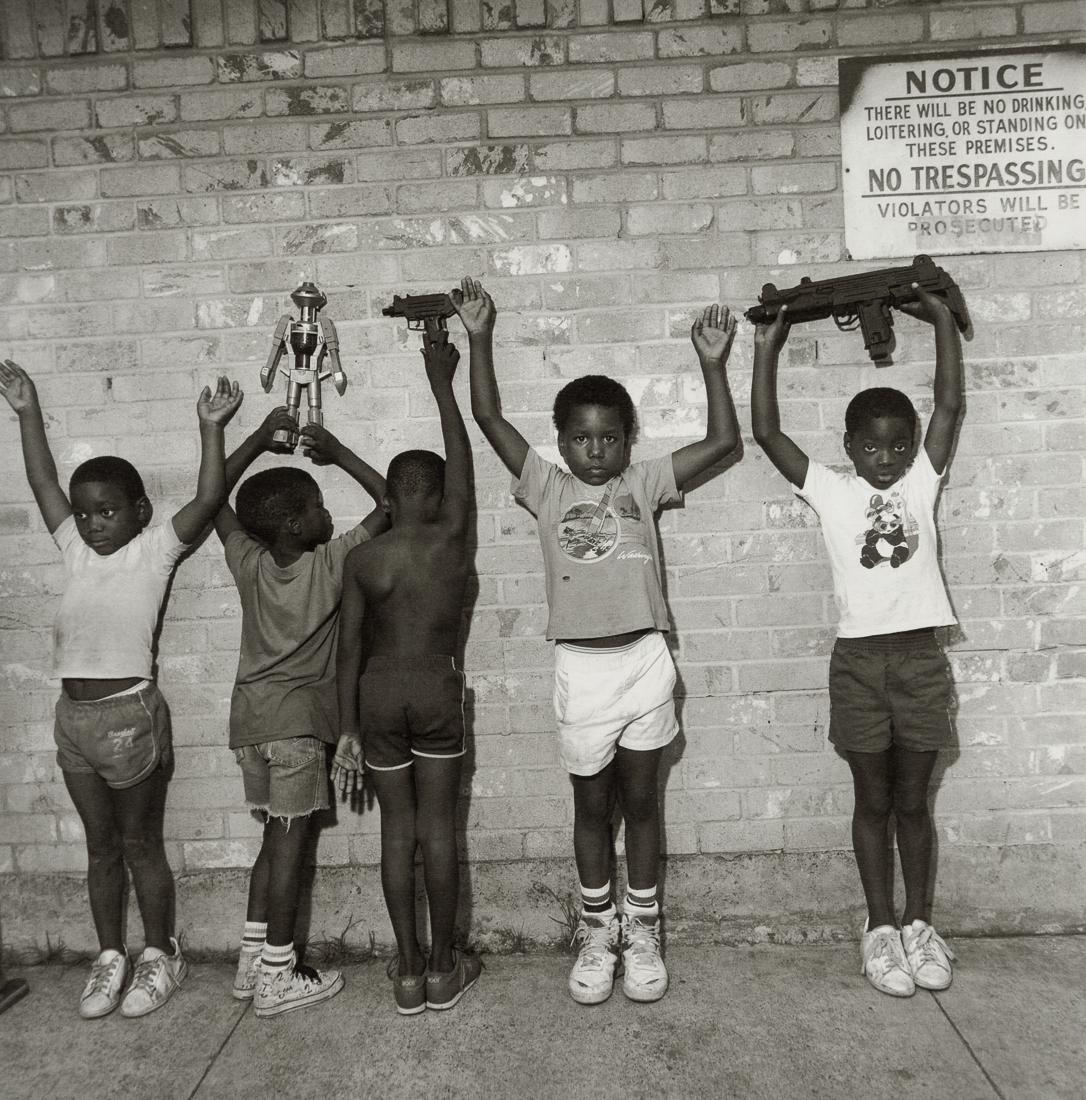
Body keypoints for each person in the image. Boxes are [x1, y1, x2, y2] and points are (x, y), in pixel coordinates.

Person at [457, 276, 740, 1005]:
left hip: (644, 660)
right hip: (581, 669)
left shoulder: (644, 483)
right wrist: (479, 336)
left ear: (628, 440)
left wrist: (711, 363)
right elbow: (487, 415)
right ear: (559, 443)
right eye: (580, 438)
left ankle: (642, 930)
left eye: (609, 437)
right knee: (591, 807)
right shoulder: (547, 488)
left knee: (641, 803)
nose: (595, 450)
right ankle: (596, 930)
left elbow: (723, 443)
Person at [0, 359, 242, 1019]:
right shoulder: (75, 551)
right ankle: (110, 955)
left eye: (106, 511)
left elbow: (208, 497)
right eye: (83, 513)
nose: (91, 523)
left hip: (128, 718)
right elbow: (43, 481)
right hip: (73, 720)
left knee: (139, 844)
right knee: (100, 847)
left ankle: (160, 953)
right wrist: (27, 411)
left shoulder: (154, 550)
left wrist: (210, 427)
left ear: (139, 512)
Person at [750, 286, 964, 997]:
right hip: (860, 666)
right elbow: (768, 434)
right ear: (848, 448)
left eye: (898, 445)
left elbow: (949, 408)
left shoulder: (922, 481)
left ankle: (920, 925)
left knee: (914, 803)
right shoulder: (832, 491)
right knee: (872, 801)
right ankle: (879, 928)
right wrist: (767, 348)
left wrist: (940, 319)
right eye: (871, 446)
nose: (886, 457)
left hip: (921, 660)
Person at [215, 407, 387, 1018]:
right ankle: (278, 976)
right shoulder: (331, 563)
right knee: (290, 851)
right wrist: (338, 452)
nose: (326, 513)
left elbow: (213, 500)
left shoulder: (248, 563)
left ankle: (252, 960)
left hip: (249, 726)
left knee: (272, 842)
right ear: (294, 523)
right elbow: (394, 501)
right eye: (317, 506)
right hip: (295, 731)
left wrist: (255, 441)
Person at [332, 331, 478, 1016]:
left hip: (378, 695)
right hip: (434, 687)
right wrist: (442, 382)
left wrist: (347, 730)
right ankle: (446, 968)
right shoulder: (451, 540)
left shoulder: (363, 560)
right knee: (439, 829)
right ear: (442, 498)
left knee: (397, 831)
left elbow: (348, 650)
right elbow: (462, 464)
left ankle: (408, 972)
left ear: (387, 500)